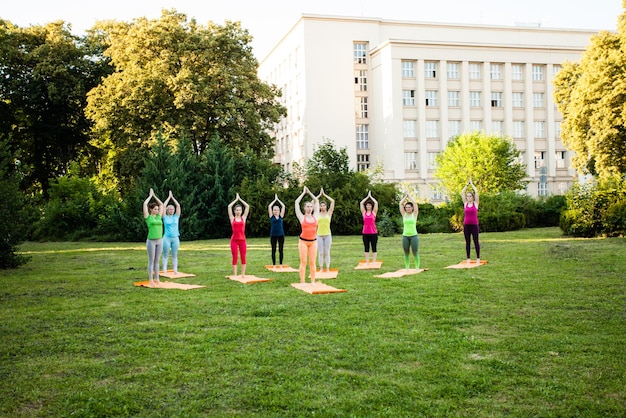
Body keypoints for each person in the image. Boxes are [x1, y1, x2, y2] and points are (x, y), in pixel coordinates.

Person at [295, 186, 319, 284]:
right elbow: (296, 202)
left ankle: (313, 281)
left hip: (313, 242)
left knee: (312, 262)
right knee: (303, 262)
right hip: (303, 242)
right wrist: (303, 193)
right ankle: (302, 281)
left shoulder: (315, 216)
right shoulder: (301, 217)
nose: (309, 208)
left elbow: (316, 201)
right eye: (307, 206)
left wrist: (309, 193)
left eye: (310, 206)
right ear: (304, 208)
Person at [143, 188, 165, 287]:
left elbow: (162, 205)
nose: (157, 210)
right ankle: (151, 279)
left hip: (160, 241)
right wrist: (150, 196)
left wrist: (155, 196)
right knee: (151, 260)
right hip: (151, 241)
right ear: (151, 209)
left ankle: (157, 278)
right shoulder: (148, 217)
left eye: (157, 209)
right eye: (155, 209)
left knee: (157, 261)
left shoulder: (159, 217)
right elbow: (144, 204)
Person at [228, 193, 250, 277]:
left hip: (242, 241)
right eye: (237, 210)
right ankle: (235, 274)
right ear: (234, 211)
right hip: (234, 240)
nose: (238, 211)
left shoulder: (243, 218)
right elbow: (229, 207)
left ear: (241, 211)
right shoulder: (232, 218)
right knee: (235, 257)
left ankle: (243, 274)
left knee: (243, 257)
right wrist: (235, 200)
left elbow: (247, 206)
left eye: (239, 210)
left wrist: (240, 199)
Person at [161, 190, 181, 274]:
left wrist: (172, 197)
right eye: (170, 209)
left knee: (174, 254)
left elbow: (178, 205)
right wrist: (168, 198)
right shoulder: (164, 217)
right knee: (165, 254)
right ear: (167, 210)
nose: (172, 210)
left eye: (172, 209)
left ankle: (175, 270)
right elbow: (163, 206)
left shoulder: (176, 216)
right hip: (166, 238)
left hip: (175, 238)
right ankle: (164, 270)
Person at [461, 178, 480, 265]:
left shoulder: (475, 204)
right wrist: (466, 185)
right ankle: (468, 258)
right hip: (466, 225)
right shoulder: (465, 204)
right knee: (467, 242)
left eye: (470, 196)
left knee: (476, 241)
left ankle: (478, 258)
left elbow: (476, 192)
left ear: (472, 197)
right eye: (467, 196)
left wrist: (472, 184)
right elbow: (462, 193)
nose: (468, 197)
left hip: (474, 225)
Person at [316, 188, 335, 272]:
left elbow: (333, 201)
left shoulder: (329, 213)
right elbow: (312, 202)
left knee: (327, 252)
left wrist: (324, 195)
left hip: (327, 235)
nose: (322, 207)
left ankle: (327, 268)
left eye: (324, 205)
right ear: (319, 207)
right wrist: (319, 196)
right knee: (320, 252)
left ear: (326, 206)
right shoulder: (317, 214)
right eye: (321, 205)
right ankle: (321, 268)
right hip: (319, 235)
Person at [399, 194, 420, 270]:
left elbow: (415, 203)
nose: (407, 209)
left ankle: (417, 268)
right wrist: (405, 197)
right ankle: (407, 268)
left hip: (414, 236)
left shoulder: (414, 214)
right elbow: (400, 204)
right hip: (405, 236)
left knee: (415, 252)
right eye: (406, 207)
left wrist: (410, 196)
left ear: (412, 208)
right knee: (406, 253)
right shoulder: (404, 214)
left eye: (409, 207)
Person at [359, 191, 379, 265]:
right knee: (366, 247)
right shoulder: (364, 212)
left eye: (369, 205)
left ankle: (374, 261)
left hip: (373, 233)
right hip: (365, 233)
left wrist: (371, 197)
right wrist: (367, 197)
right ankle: (367, 261)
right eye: (367, 205)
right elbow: (361, 203)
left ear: (371, 206)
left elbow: (376, 203)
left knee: (374, 247)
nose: (368, 206)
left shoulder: (374, 212)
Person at [267, 194, 286, 269]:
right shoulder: (271, 217)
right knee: (273, 250)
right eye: (274, 210)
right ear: (272, 211)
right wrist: (274, 200)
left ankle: (280, 264)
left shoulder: (281, 216)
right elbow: (269, 206)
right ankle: (274, 265)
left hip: (281, 235)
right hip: (273, 235)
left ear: (279, 211)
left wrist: (278, 200)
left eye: (277, 210)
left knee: (281, 250)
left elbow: (283, 206)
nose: (276, 211)